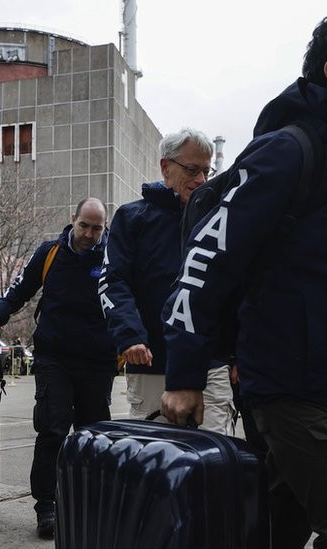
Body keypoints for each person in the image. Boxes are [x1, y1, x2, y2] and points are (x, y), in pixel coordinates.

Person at [161, 3, 327, 547]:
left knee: (277, 531)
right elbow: (207, 259)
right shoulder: (287, 151)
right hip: (291, 388)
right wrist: (185, 375)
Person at [0, 197, 116, 539]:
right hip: (54, 358)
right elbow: (20, 288)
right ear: (72, 219)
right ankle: (47, 506)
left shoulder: (112, 256)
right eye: (84, 225)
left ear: (104, 227)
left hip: (97, 362)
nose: (89, 234)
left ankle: (90, 504)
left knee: (93, 436)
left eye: (97, 228)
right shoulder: (50, 253)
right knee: (52, 429)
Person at [100, 128, 235, 435]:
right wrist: (130, 336)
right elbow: (113, 281)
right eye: (192, 169)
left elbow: (231, 288)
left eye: (206, 171)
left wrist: (236, 353)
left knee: (214, 451)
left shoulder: (216, 220)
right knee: (155, 453)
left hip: (210, 363)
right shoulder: (132, 218)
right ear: (165, 167)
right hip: (151, 361)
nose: (201, 179)